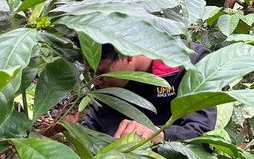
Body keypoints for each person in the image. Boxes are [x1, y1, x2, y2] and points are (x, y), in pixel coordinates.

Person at [82, 42, 216, 142]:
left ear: (126, 54)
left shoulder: (190, 65)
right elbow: (93, 129)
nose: (94, 82)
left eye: (101, 72)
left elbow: (201, 134)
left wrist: (160, 134)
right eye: (90, 73)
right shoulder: (104, 85)